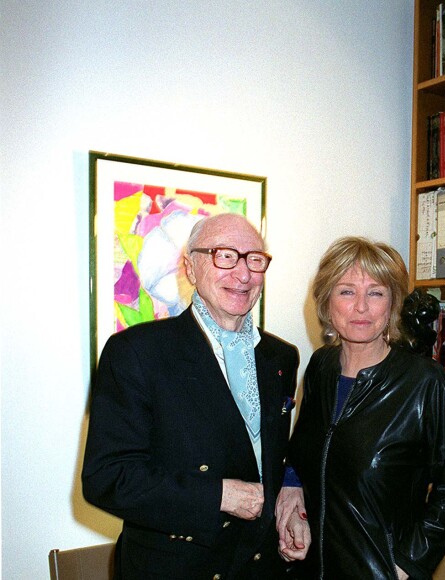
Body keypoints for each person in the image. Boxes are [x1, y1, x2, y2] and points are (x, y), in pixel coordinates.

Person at [82, 213, 309, 579]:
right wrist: (219, 496)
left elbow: (275, 456)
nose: (243, 273)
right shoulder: (136, 353)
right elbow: (107, 478)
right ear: (190, 268)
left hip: (259, 566)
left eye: (254, 259)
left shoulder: (281, 356)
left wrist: (291, 494)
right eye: (224, 255)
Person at [280, 236, 445, 579]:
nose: (361, 307)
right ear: (326, 302)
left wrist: (405, 565)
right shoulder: (320, 367)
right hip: (310, 570)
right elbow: (304, 449)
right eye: (346, 291)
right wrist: (292, 491)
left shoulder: (426, 382)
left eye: (376, 292)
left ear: (393, 304)